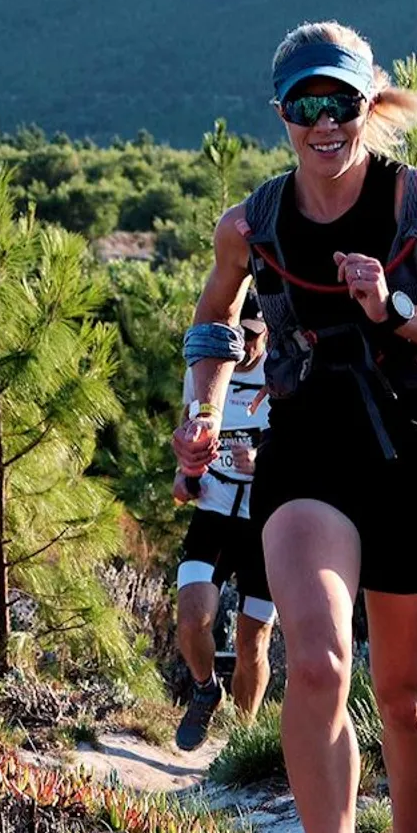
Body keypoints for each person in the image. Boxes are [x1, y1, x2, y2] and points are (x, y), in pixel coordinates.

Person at [171, 21, 417, 833]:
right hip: (306, 457)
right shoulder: (254, 224)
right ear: (281, 116)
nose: (325, 122)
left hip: (407, 455)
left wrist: (397, 309)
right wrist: (199, 416)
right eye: (305, 106)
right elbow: (212, 325)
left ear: (371, 106)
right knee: (315, 662)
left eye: (342, 103)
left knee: (406, 695)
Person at [170, 294, 276, 752]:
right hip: (213, 511)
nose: (244, 344)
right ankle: (205, 688)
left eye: (252, 335)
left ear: (268, 333)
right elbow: (185, 444)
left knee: (252, 642)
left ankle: (242, 739)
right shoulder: (207, 373)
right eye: (237, 335)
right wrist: (186, 475)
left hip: (267, 522)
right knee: (192, 617)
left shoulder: (284, 374)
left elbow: (311, 453)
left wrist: (263, 464)